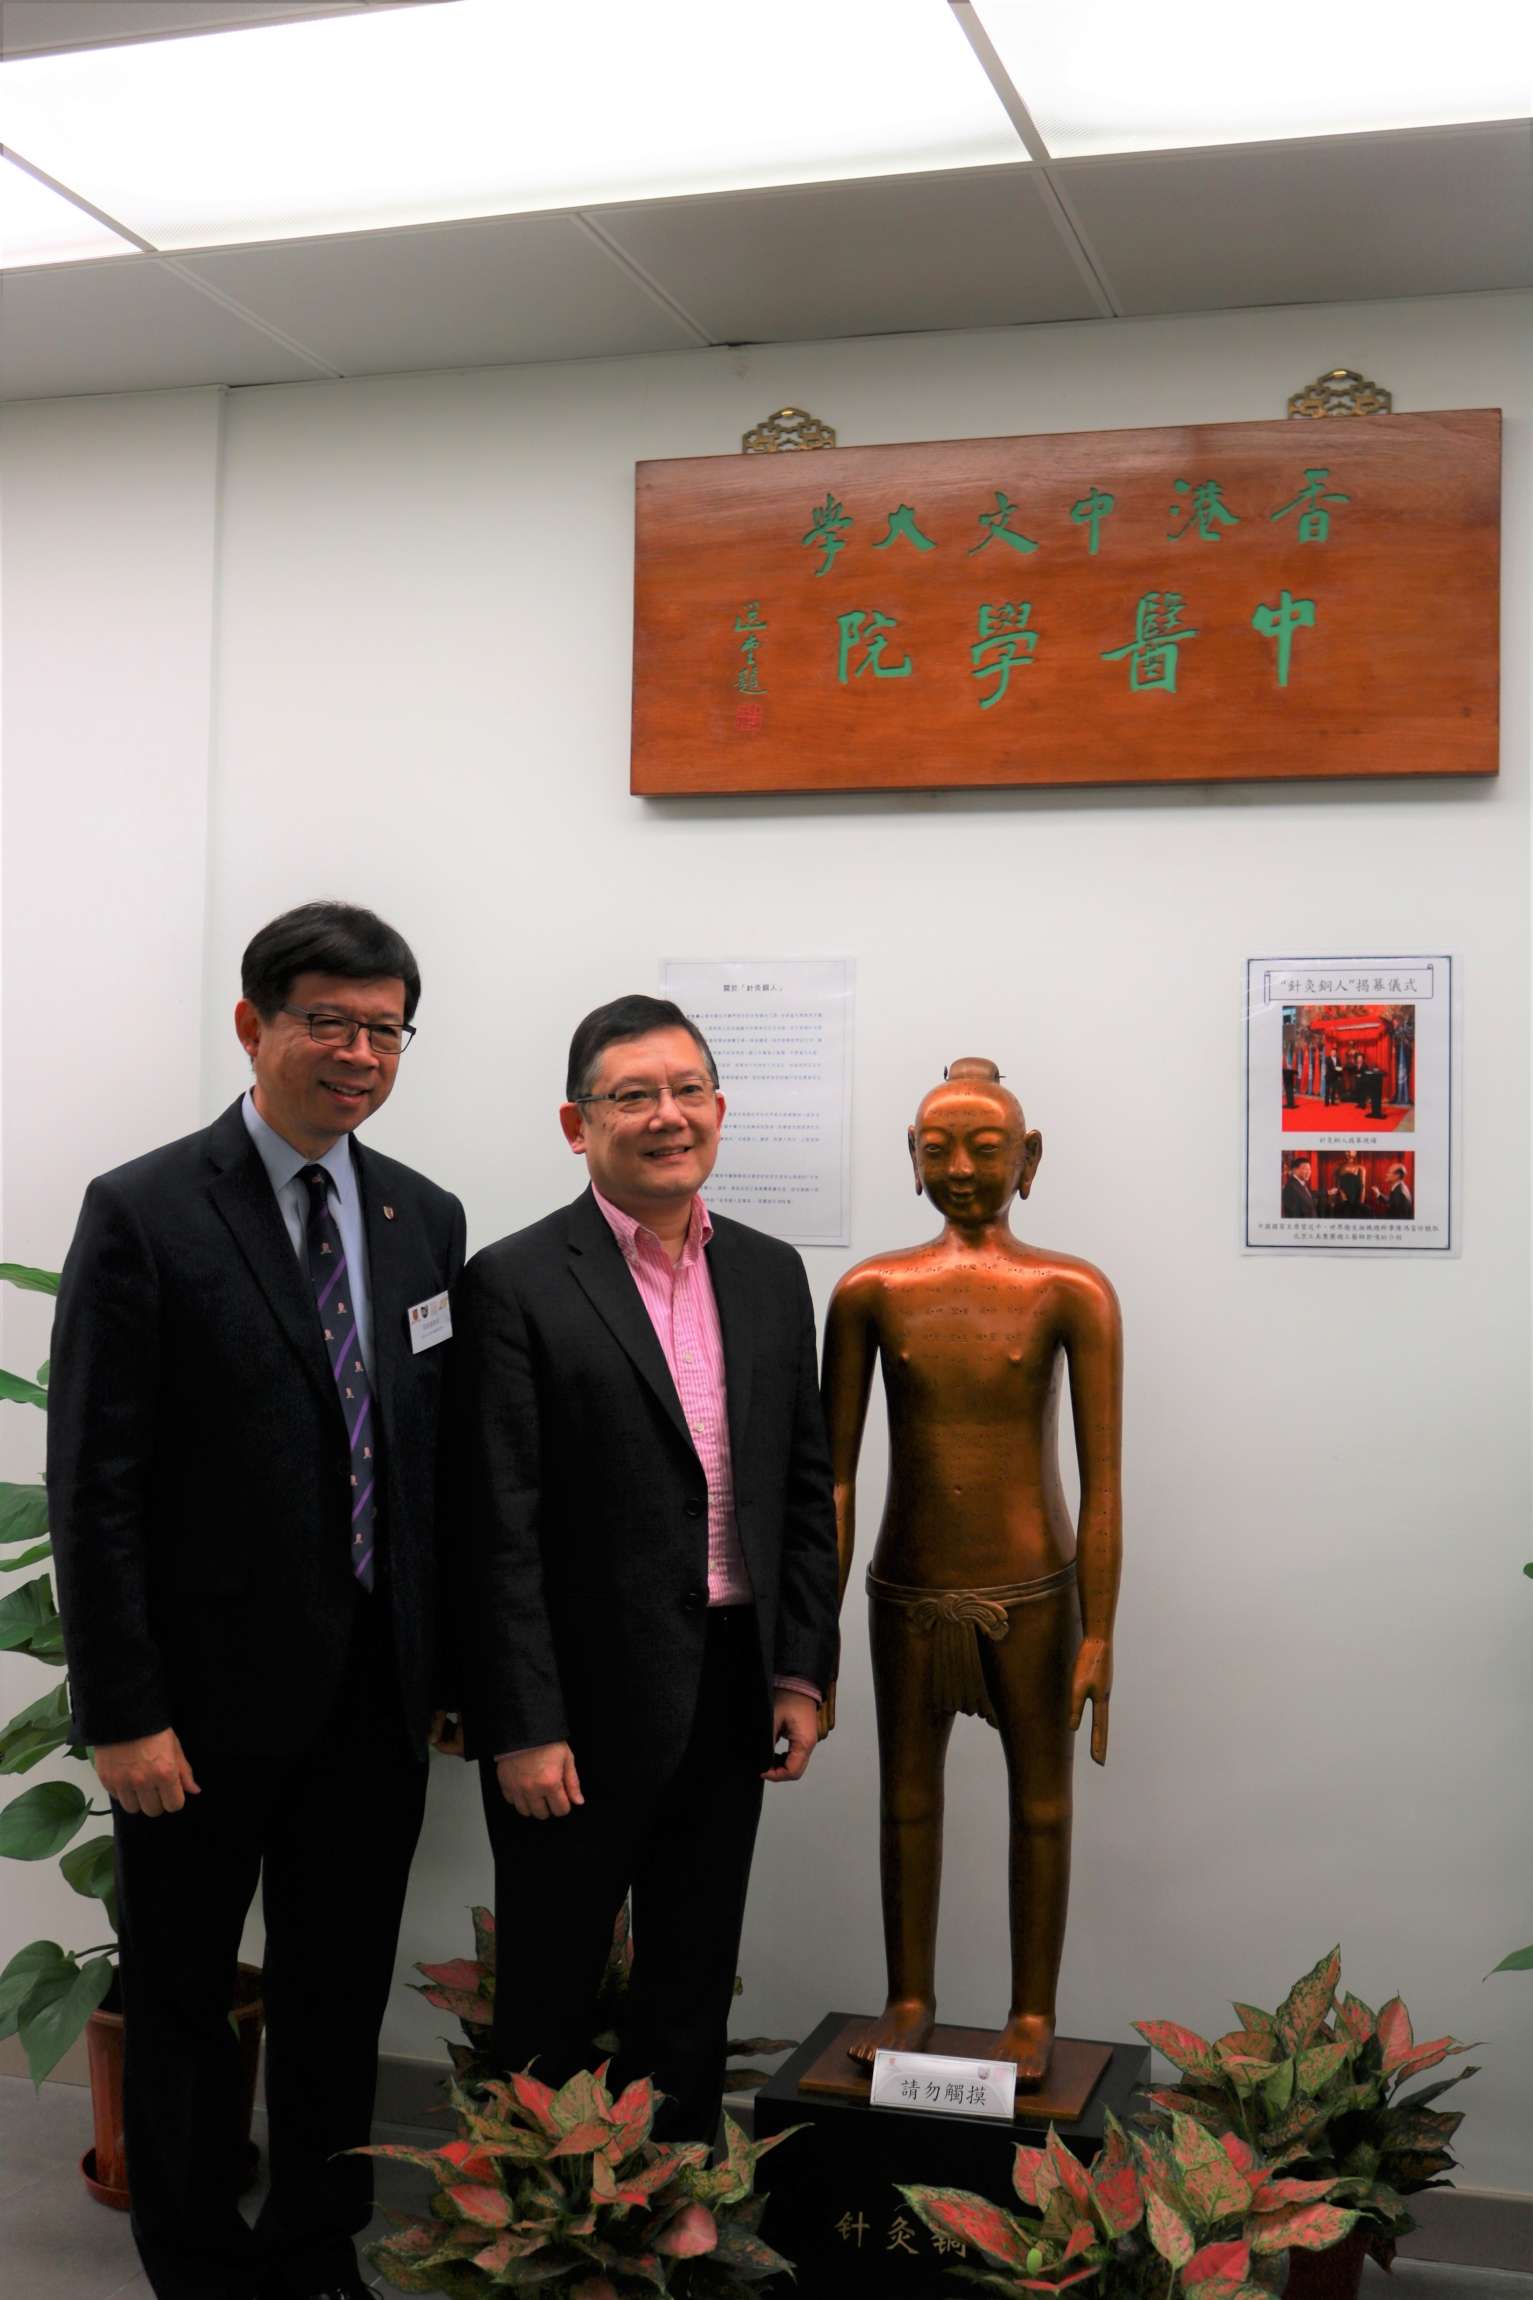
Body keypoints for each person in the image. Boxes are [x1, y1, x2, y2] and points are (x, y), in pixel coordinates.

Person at [48, 903, 466, 2300]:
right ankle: (193, 2260)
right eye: (328, 1022)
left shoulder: (423, 1216)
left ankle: (314, 2244)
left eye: (385, 1029)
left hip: (372, 1693)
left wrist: (446, 1670)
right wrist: (123, 1709)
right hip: (197, 1707)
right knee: (180, 1994)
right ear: (253, 1025)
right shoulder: (147, 1209)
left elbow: (427, 1460)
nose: (359, 1054)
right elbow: (94, 1479)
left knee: (337, 1991)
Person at [453, 994, 839, 2143]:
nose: (667, 1114)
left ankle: (676, 2204)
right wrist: (522, 1722)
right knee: (550, 1983)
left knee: (692, 1970)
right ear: (578, 1123)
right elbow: (496, 1522)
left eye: (687, 1089)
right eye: (632, 1095)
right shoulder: (516, 1278)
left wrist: (800, 1671)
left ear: (719, 1105)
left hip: (731, 1678)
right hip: (576, 1701)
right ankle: (542, 2208)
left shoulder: (770, 1272)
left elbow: (801, 1489)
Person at [820, 1060, 1120, 2084]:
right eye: (938, 1148)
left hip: (1033, 1588)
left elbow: (1104, 1478)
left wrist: (1098, 1630)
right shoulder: (871, 1291)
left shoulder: (1071, 1291)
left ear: (1027, 1159)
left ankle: (1031, 2014)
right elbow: (834, 1478)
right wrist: (813, 1634)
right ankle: (908, 1998)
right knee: (905, 1799)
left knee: (1042, 1802)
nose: (960, 1168)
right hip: (905, 1586)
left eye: (985, 1149)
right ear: (909, 1157)